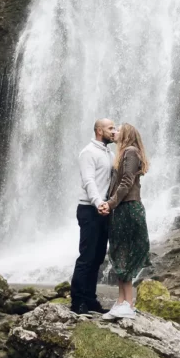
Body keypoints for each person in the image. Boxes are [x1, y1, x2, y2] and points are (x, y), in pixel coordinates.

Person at [102, 123, 151, 319]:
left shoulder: (130, 151)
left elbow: (127, 181)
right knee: (119, 251)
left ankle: (128, 304)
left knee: (125, 251)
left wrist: (110, 203)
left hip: (129, 208)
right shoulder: (124, 153)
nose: (114, 132)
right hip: (122, 208)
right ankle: (121, 301)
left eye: (118, 130)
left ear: (127, 135)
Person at [70, 118, 116, 314]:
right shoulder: (88, 152)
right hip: (89, 209)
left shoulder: (110, 153)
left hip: (104, 209)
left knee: (98, 257)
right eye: (110, 128)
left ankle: (90, 299)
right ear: (99, 130)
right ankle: (77, 301)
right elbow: (88, 181)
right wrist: (99, 203)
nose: (114, 131)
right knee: (87, 256)